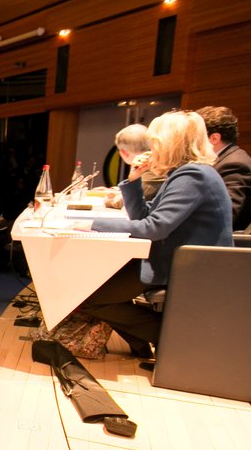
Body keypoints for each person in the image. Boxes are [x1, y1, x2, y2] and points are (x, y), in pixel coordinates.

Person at [83, 110, 234, 357]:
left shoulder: (193, 175)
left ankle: (171, 337)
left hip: (188, 265)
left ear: (170, 143)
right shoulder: (185, 172)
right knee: (96, 289)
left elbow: (155, 227)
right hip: (177, 257)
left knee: (91, 297)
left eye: (155, 141)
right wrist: (133, 180)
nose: (151, 147)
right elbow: (145, 217)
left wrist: (94, 224)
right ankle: (143, 344)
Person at [198, 105, 251, 230]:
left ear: (214, 138)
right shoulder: (224, 159)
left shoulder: (235, 165)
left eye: (196, 137)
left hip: (218, 245)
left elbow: (225, 216)